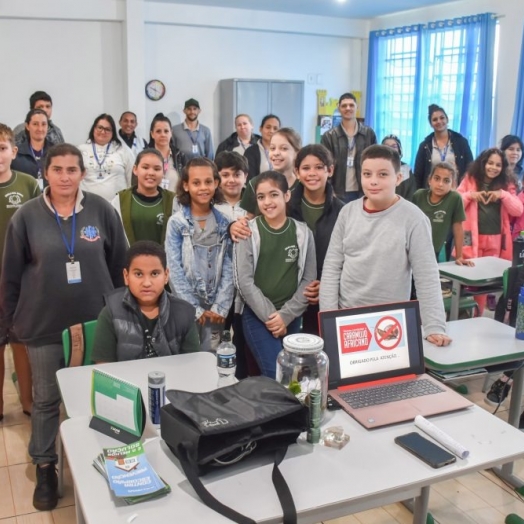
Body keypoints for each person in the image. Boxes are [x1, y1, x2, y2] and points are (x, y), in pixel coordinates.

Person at [0, 143, 127, 511]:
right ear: (46, 173)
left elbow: (120, 264)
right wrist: (7, 326)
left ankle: (97, 462)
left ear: (82, 174)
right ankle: (46, 466)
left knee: (95, 396)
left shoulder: (102, 211)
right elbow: (10, 276)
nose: (65, 177)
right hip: (42, 324)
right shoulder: (26, 217)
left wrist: (121, 317)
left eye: (72, 170)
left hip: (95, 325)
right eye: (58, 170)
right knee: (45, 399)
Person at [319, 145, 450, 346]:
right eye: (367, 174)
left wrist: (434, 326)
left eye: (382, 174)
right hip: (347, 316)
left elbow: (426, 275)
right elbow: (331, 268)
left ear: (398, 178)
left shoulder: (414, 219)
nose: (373, 181)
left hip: (390, 322)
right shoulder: (347, 212)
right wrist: (329, 318)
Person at [234, 171, 316, 378]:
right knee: (276, 374)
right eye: (261, 197)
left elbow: (308, 279)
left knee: (295, 375)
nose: (267, 202)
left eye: (273, 195)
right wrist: (273, 317)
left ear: (286, 196)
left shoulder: (303, 233)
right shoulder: (248, 232)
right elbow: (243, 282)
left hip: (292, 315)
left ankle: (296, 411)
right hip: (257, 315)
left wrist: (285, 316)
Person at [165, 157, 234, 352]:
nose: (203, 187)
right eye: (196, 182)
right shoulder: (176, 223)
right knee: (186, 354)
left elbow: (229, 266)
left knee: (212, 355)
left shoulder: (225, 223)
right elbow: (174, 268)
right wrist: (193, 308)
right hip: (185, 305)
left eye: (208, 182)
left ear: (216, 183)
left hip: (215, 308)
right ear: (186, 185)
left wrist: (220, 306)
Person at [92, 241, 201, 362]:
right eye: (138, 274)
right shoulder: (111, 312)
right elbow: (104, 369)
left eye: (155, 273)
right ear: (126, 276)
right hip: (125, 380)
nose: (147, 283)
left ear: (166, 276)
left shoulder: (184, 313)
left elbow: (192, 365)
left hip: (173, 379)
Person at [0, 124, 40, 421]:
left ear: (13, 151)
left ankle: (28, 402)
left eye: (2, 148)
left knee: (21, 344)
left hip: (22, 280)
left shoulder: (28, 184)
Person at [457, 148, 522, 313]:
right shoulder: (470, 179)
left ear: (503, 167)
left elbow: (518, 210)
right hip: (470, 238)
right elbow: (456, 204)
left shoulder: (507, 184)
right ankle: (464, 313)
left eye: (498, 165)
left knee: (485, 282)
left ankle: (478, 315)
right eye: (490, 163)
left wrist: (502, 194)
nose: (493, 167)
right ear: (483, 163)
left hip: (495, 240)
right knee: (466, 279)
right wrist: (471, 195)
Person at [288, 144, 344, 335]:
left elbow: (349, 258)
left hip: (325, 295)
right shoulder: (284, 208)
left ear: (330, 170)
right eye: (305, 168)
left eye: (319, 167)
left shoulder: (343, 212)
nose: (312, 173)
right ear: (296, 172)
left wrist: (326, 285)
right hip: (288, 295)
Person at [111, 148, 176, 245]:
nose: (151, 173)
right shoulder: (120, 200)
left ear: (163, 172)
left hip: (163, 259)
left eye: (157, 169)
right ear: (135, 169)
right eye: (145, 167)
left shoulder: (173, 201)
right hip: (128, 259)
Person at [412, 162, 473, 265]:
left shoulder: (454, 198)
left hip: (435, 252)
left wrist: (459, 256)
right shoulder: (419, 195)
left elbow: (458, 228)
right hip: (414, 249)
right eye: (436, 178)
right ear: (429, 180)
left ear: (453, 184)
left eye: (446, 181)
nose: (440, 184)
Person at [321, 92, 377, 203]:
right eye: (344, 105)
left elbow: (375, 162)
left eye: (351, 105)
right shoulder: (329, 136)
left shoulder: (368, 133)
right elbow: (325, 165)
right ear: (339, 108)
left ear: (357, 107)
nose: (348, 108)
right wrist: (329, 190)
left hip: (363, 190)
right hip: (338, 192)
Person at [236, 127, 302, 220]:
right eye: (272, 148)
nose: (276, 153)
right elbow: (249, 218)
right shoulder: (255, 183)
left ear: (297, 153)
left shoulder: (303, 187)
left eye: (283, 148)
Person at [414, 104, 473, 189]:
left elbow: (470, 169)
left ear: (447, 119)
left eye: (442, 118)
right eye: (435, 119)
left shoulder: (461, 142)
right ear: (431, 124)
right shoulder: (424, 146)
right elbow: (418, 175)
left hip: (456, 191)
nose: (439, 121)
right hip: (432, 192)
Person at [78, 114, 135, 202]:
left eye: (107, 129)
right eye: (100, 127)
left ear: (113, 133)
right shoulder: (80, 150)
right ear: (94, 128)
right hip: (87, 205)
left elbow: (132, 180)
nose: (103, 132)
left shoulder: (123, 150)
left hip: (117, 205)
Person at [12, 109, 52, 189]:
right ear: (27, 126)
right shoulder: (16, 153)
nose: (40, 129)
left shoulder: (56, 152)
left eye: (43, 124)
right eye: (35, 124)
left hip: (49, 197)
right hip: (24, 197)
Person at [148, 113, 186, 192]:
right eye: (158, 131)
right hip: (151, 202)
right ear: (152, 134)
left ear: (171, 133)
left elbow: (186, 183)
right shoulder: (144, 157)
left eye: (166, 131)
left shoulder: (180, 156)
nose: (163, 135)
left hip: (176, 202)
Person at [214, 151, 249, 221]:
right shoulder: (210, 204)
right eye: (225, 175)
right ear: (216, 177)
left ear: (245, 177)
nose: (231, 180)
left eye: (237, 175)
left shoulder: (254, 203)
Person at [243, 114, 281, 180]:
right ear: (260, 129)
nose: (271, 131)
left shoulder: (283, 151)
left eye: (275, 128)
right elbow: (250, 179)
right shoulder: (250, 152)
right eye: (268, 127)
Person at [381, 135, 417, 201]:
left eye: (394, 146)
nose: (390, 149)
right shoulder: (377, 167)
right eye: (386, 146)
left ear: (399, 150)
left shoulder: (406, 168)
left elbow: (411, 192)